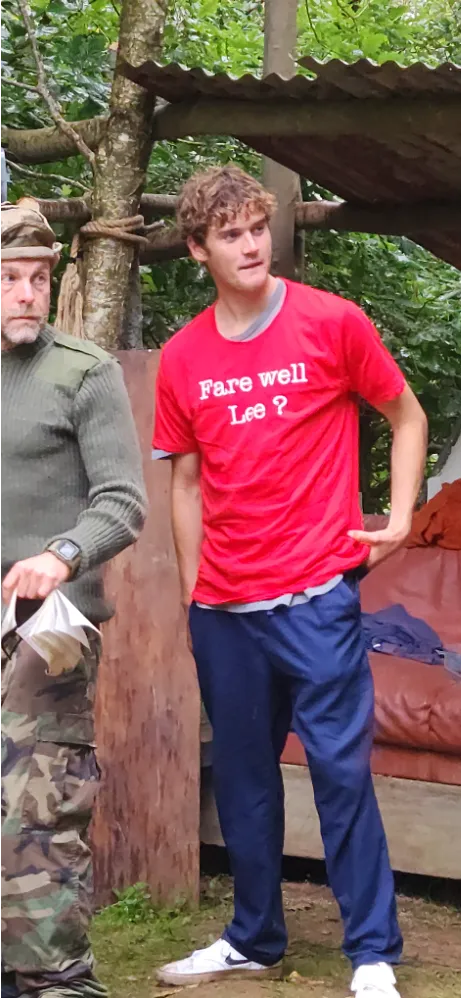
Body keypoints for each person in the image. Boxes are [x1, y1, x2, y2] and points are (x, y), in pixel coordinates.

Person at [151, 166, 428, 998]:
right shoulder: (181, 358)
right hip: (226, 613)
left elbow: (405, 415)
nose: (249, 245)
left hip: (315, 598)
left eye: (255, 228)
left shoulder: (331, 323)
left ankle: (372, 952)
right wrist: (194, 594)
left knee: (341, 774)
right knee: (241, 781)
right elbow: (187, 485)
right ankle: (253, 939)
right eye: (229, 234)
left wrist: (402, 516)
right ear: (198, 248)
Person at [0, 200, 147, 998]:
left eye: (37, 279)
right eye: (10, 279)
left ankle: (56, 981)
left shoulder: (82, 372)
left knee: (33, 808)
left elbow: (123, 502)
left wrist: (60, 555)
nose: (26, 293)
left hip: (48, 627)